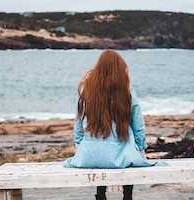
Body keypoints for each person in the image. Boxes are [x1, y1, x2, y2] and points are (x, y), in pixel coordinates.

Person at [63, 49, 165, 200]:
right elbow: (138, 124)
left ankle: (100, 194)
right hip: (122, 153)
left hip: (90, 153)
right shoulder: (126, 91)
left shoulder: (86, 89)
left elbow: (78, 123)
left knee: (100, 155)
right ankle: (127, 195)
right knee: (129, 156)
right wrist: (141, 147)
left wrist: (81, 146)